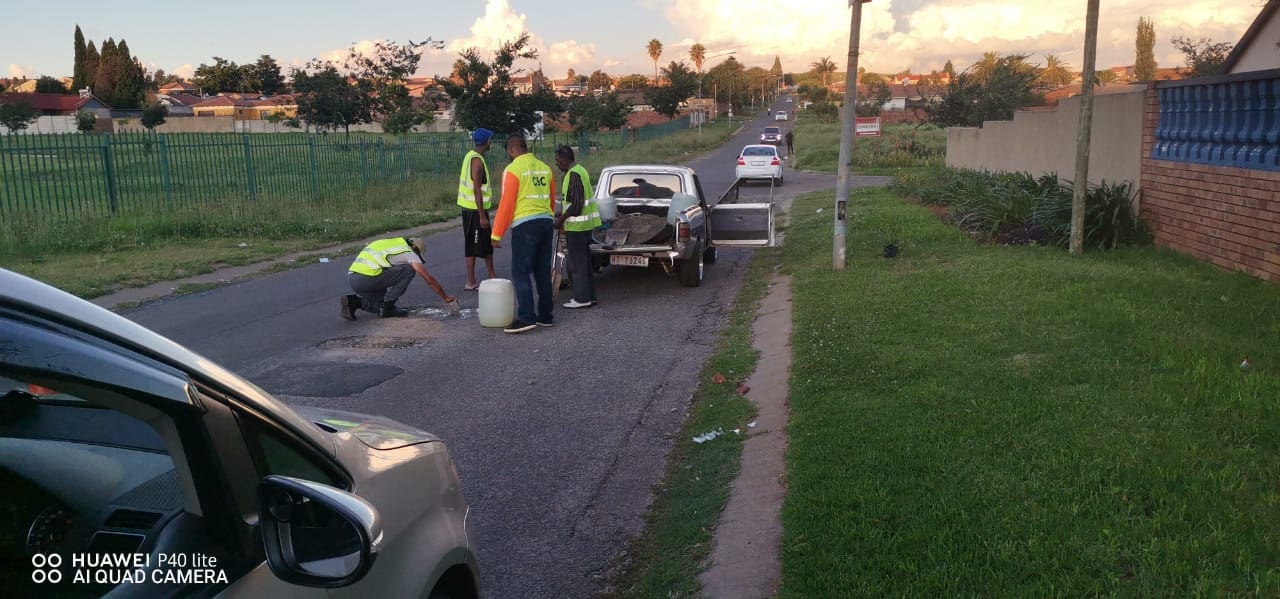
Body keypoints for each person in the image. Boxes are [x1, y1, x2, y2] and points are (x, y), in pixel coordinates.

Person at [490, 134, 556, 333]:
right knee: (542, 272)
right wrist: (549, 218)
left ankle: (527, 317)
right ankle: (546, 316)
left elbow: (507, 203)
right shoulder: (545, 168)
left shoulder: (513, 169)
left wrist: (496, 234)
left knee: (520, 271)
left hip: (525, 224)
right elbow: (552, 199)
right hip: (546, 221)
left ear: (511, 151)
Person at [341, 237, 455, 320]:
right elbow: (428, 278)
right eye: (418, 254)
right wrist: (445, 297)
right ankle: (388, 304)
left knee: (378, 307)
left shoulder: (389, 244)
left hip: (353, 279)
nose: (416, 257)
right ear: (414, 247)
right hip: (367, 279)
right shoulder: (408, 252)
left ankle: (353, 302)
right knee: (409, 269)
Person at [553, 145, 600, 309]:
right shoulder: (579, 171)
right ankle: (589, 297)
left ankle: (582, 298)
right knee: (585, 263)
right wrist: (562, 214)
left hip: (578, 227)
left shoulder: (574, 174)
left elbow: (577, 205)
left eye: (558, 161)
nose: (557, 164)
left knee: (577, 265)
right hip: (583, 226)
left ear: (565, 159)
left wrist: (560, 220)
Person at [458, 128, 498, 291]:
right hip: (475, 210)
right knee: (475, 243)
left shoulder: (471, 156)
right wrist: (482, 215)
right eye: (490, 139)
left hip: (471, 209)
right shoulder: (477, 162)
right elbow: (477, 189)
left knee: (484, 242)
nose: (491, 142)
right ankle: (472, 280)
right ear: (486, 142)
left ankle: (490, 274)